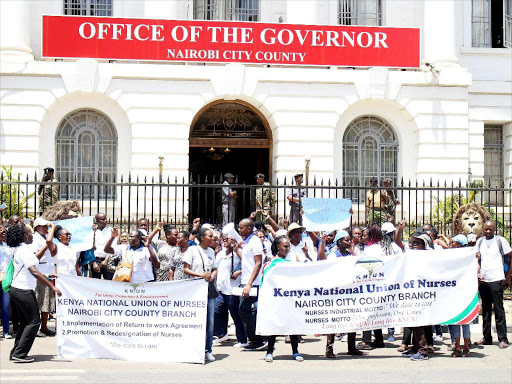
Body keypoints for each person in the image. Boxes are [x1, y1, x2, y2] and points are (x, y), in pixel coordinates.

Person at [6, 224, 62, 363]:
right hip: (23, 290)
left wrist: (45, 248)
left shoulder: (19, 249)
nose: (32, 236)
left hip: (17, 289)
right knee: (34, 321)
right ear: (25, 236)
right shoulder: (24, 250)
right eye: (30, 233)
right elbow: (34, 271)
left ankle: (16, 351)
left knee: (26, 321)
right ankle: (19, 354)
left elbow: (35, 259)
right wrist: (51, 286)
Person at [262, 236, 304, 363]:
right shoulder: (269, 265)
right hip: (275, 300)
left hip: (289, 299)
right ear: (277, 247)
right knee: (274, 326)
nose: (287, 249)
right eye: (285, 246)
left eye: (289, 247)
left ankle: (295, 351)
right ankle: (269, 352)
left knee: (292, 326)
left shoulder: (290, 263)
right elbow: (265, 283)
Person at [183, 227, 218, 362]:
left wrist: (211, 276)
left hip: (208, 288)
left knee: (210, 321)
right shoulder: (192, 250)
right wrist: (201, 275)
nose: (212, 238)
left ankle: (207, 349)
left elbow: (214, 268)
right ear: (203, 237)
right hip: (195, 287)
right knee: (196, 319)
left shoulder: (211, 251)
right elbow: (186, 269)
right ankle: (193, 348)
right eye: (210, 236)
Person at [475, 220, 511, 349]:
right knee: (485, 310)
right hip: (484, 280)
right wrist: (478, 273)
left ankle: (503, 339)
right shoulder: (480, 241)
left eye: (490, 229)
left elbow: (510, 256)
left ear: (494, 229)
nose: (488, 231)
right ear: (483, 229)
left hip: (496, 279)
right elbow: (478, 259)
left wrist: (508, 276)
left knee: (499, 309)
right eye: (486, 229)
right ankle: (487, 337)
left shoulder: (500, 241)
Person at [402, 231, 433, 361]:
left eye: (417, 243)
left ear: (424, 244)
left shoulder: (428, 257)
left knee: (418, 322)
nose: (414, 245)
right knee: (413, 321)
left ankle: (422, 350)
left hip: (422, 294)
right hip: (412, 292)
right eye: (413, 242)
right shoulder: (411, 255)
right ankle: (415, 347)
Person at [213, 235, 247, 348]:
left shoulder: (240, 252)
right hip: (221, 288)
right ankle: (222, 334)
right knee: (217, 310)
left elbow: (247, 264)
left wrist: (238, 271)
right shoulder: (221, 253)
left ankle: (242, 339)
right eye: (224, 239)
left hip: (233, 289)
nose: (225, 240)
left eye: (228, 239)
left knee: (235, 314)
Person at [238, 218, 266, 351]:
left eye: (241, 227)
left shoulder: (255, 241)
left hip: (253, 283)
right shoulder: (247, 241)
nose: (239, 230)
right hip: (246, 281)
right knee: (245, 311)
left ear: (249, 228)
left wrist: (249, 284)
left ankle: (257, 339)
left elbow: (258, 263)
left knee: (244, 310)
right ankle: (256, 339)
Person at [31, 217, 56, 337]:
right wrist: (46, 245)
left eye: (47, 226)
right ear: (37, 227)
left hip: (48, 272)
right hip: (39, 273)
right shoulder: (34, 239)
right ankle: (35, 328)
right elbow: (36, 257)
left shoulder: (47, 238)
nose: (46, 228)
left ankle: (44, 327)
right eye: (44, 226)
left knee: (46, 302)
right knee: (37, 302)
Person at [447, 234, 472, 356]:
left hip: (465, 291)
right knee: (456, 320)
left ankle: (466, 346)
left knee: (465, 321)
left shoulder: (467, 256)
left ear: (460, 244)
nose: (451, 244)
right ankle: (457, 345)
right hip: (453, 291)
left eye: (454, 242)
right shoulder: (450, 256)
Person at [91, 213, 116, 280]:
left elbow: (113, 247)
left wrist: (106, 260)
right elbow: (90, 248)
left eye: (105, 219)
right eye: (102, 219)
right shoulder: (92, 231)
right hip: (95, 260)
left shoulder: (111, 231)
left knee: (109, 283)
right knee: (95, 284)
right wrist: (94, 262)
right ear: (97, 221)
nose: (105, 220)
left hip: (108, 260)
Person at [0, 224, 13, 339]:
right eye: (1, 231)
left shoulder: (8, 247)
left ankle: (6, 330)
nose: (3, 233)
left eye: (4, 231)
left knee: (6, 305)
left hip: (5, 280)